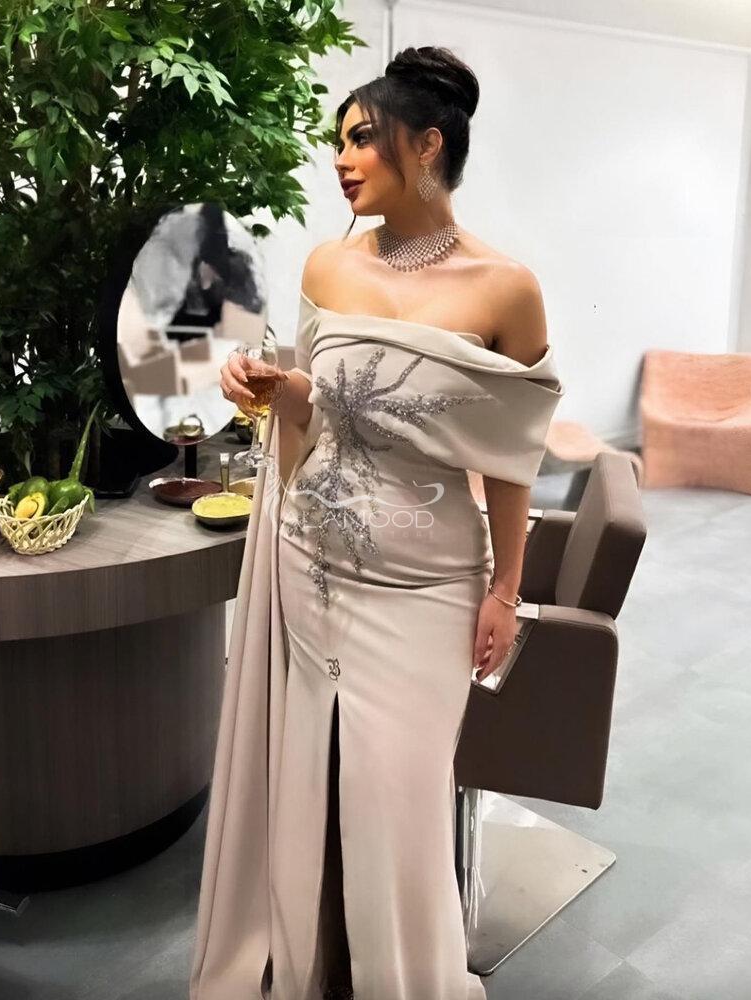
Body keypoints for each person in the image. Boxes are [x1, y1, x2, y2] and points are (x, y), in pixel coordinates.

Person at [190, 45, 564, 1000]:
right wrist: (267, 383)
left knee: (398, 807)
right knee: (310, 786)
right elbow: (317, 402)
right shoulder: (329, 265)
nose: (341, 159)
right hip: (309, 563)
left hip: (425, 584)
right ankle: (314, 970)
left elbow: (510, 461)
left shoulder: (506, 290)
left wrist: (506, 590)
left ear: (427, 146)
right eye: (339, 142)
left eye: (362, 138)